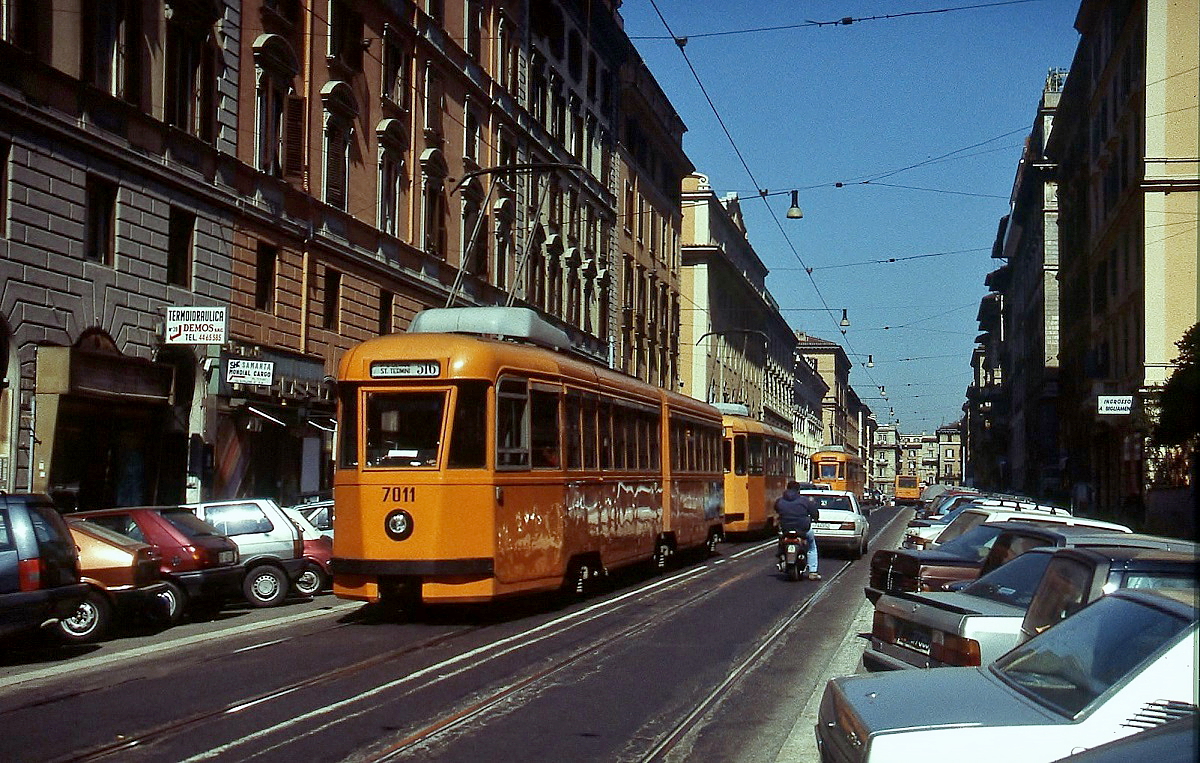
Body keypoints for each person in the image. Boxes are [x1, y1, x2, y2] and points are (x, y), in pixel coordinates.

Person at [774, 480, 821, 580]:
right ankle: (813, 572)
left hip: (786, 529)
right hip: (803, 529)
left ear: (787, 488)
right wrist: (815, 518)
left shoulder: (780, 501)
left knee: (781, 540)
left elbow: (776, 509)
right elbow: (814, 512)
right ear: (798, 490)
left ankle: (781, 555)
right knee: (812, 546)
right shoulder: (805, 501)